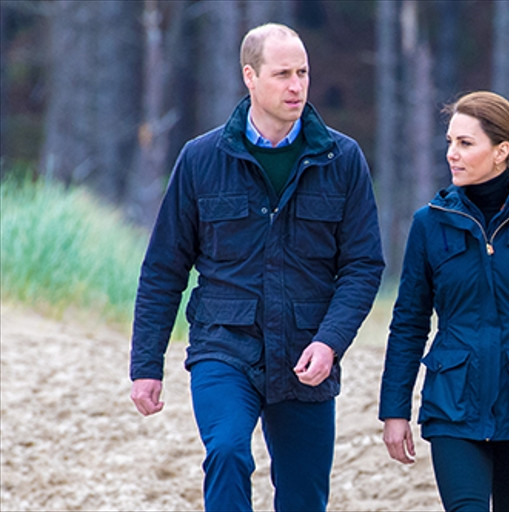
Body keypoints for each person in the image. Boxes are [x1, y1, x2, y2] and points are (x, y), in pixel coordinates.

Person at [130, 23, 384, 512]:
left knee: (304, 496)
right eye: (282, 74)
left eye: (303, 73)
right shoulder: (201, 159)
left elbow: (362, 266)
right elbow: (164, 268)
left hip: (306, 352)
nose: (296, 86)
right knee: (227, 451)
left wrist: (330, 342)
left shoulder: (342, 159)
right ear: (250, 76)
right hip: (224, 345)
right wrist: (146, 365)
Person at [379, 91, 509, 512]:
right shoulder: (430, 223)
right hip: (453, 405)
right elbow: (408, 324)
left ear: (501, 151)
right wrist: (394, 410)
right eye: (449, 142)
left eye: (465, 143)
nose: (452, 154)